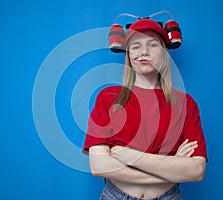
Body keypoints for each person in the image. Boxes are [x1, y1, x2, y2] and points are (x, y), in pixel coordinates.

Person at [83, 18, 207, 200]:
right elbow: (99, 166)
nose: (144, 52)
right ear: (128, 55)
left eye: (152, 45)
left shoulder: (185, 104)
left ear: (164, 52)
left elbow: (196, 170)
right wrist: (171, 167)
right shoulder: (108, 98)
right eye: (135, 46)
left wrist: (130, 156)